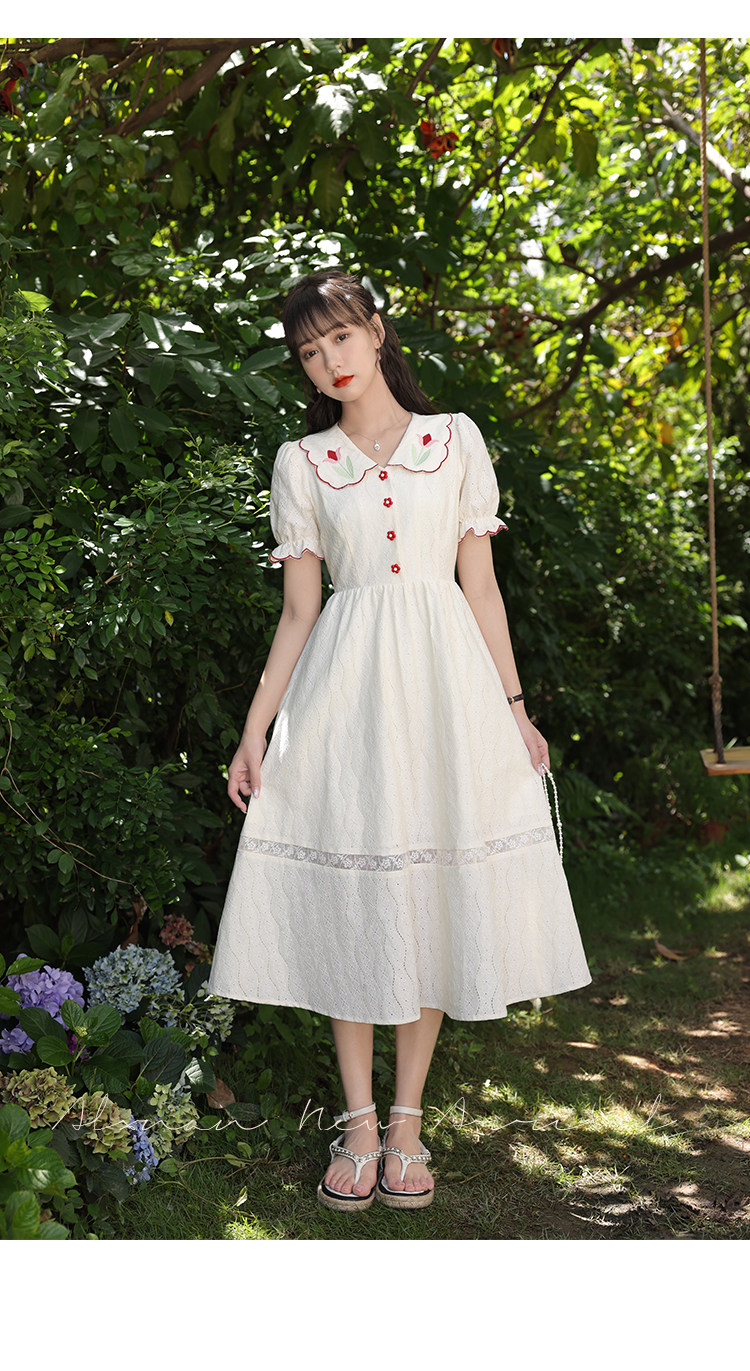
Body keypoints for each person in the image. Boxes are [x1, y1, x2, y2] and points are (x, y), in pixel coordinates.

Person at [206, 268, 591, 1213]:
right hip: (345, 698)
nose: (328, 360)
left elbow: (481, 587)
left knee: (429, 893)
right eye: (309, 351)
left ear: (376, 332)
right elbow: (299, 612)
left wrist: (515, 707)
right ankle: (358, 1123)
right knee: (357, 893)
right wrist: (254, 730)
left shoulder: (453, 439)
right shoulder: (303, 463)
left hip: (447, 692)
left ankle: (408, 1122)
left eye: (340, 336)